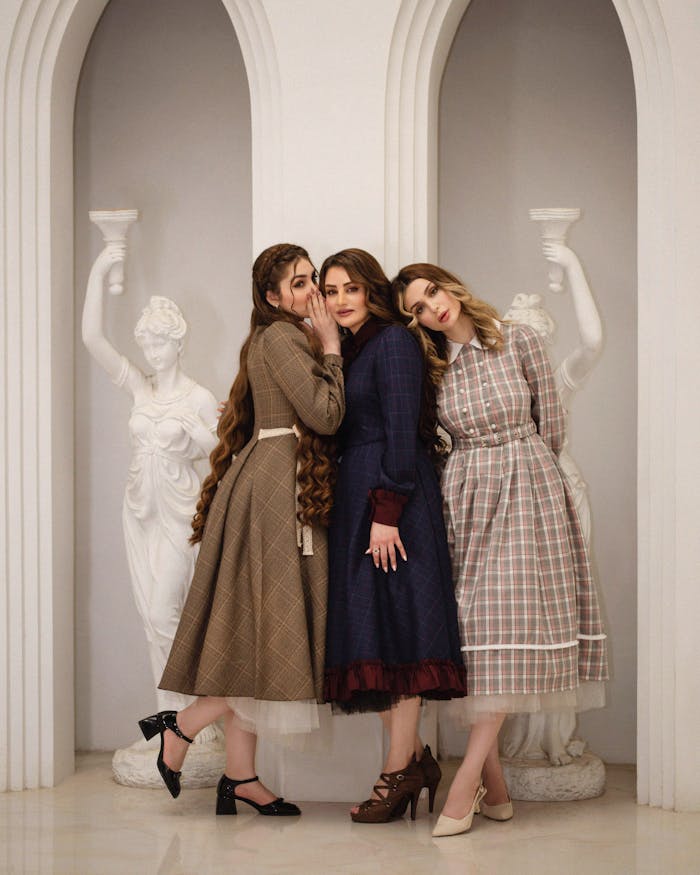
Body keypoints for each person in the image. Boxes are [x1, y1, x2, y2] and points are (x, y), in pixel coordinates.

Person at [393, 263, 608, 837]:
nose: (431, 308)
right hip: (465, 500)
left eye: (431, 292)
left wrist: (527, 473)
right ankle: (498, 787)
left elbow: (552, 426)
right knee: (472, 639)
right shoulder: (433, 369)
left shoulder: (519, 339)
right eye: (416, 307)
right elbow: (435, 443)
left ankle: (464, 786)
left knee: (505, 630)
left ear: (450, 286)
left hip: (528, 489)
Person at [140, 243, 345, 817]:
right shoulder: (283, 337)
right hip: (274, 493)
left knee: (251, 632)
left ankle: (240, 776)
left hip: (268, 483)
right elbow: (325, 415)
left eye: (313, 279)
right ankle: (180, 726)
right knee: (262, 634)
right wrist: (332, 351)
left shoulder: (273, 337)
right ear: (273, 296)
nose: (313, 291)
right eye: (300, 283)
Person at [320, 249, 467, 824]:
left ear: (371, 291)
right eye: (331, 292)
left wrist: (387, 510)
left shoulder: (394, 343)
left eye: (350, 288)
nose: (340, 300)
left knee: (402, 639)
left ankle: (396, 772)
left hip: (393, 501)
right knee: (378, 638)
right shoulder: (354, 348)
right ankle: (416, 762)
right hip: (361, 503)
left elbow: (404, 432)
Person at [81, 246, 218, 721]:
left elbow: (226, 451)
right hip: (139, 512)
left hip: (181, 515)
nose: (152, 352)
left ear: (179, 343)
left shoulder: (199, 397)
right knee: (152, 620)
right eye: (147, 344)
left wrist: (194, 434)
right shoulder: (140, 387)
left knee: (169, 615)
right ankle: (170, 718)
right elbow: (92, 338)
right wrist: (100, 272)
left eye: (160, 343)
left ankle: (188, 719)